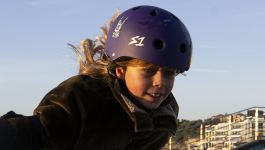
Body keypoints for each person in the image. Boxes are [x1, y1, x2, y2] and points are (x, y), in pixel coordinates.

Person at [0, 5, 192, 150]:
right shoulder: (84, 102)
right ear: (120, 70)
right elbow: (25, 134)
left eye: (169, 72)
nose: (161, 82)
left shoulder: (165, 114)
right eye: (148, 71)